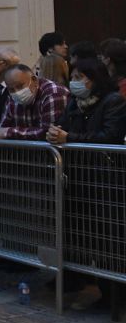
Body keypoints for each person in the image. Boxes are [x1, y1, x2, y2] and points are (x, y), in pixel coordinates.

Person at [47, 59, 126, 307]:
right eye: (74, 76)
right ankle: (96, 287)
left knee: (108, 238)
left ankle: (114, 295)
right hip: (79, 178)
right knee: (86, 235)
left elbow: (109, 137)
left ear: (95, 77)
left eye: (81, 76)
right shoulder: (74, 102)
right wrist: (54, 132)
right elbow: (62, 125)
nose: (76, 81)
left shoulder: (113, 102)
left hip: (106, 180)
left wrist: (70, 138)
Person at [0, 64, 69, 140]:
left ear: (34, 81)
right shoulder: (12, 97)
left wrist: (9, 132)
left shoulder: (53, 93)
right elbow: (0, 131)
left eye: (20, 86)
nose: (16, 92)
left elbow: (49, 133)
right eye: (11, 89)